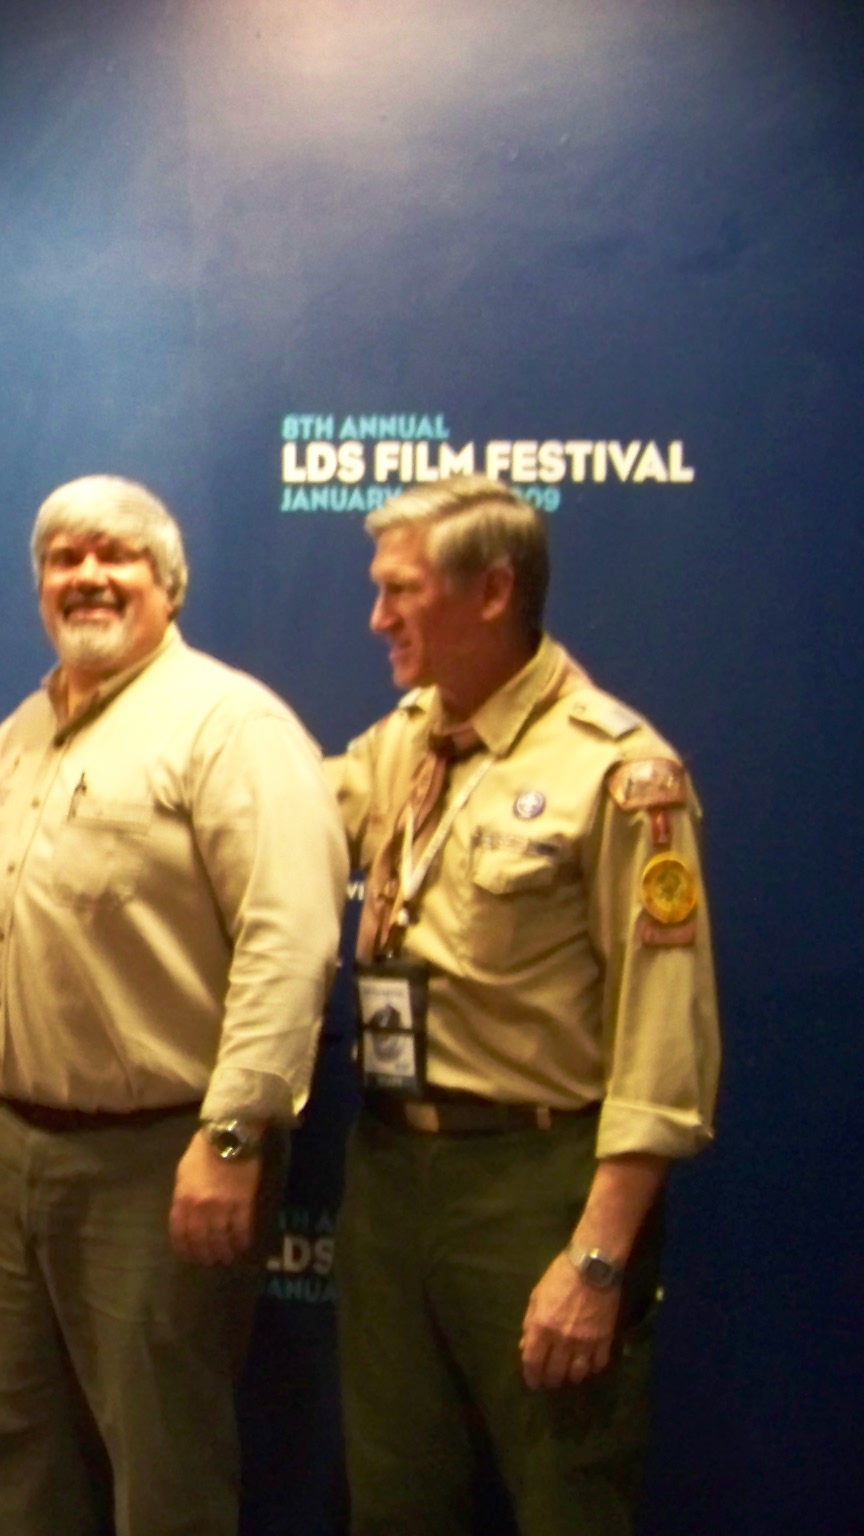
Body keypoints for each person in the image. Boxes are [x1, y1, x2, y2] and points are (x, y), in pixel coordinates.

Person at [0, 475, 346, 1536]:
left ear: (166, 584)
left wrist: (231, 1134)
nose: (85, 576)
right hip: (5, 1146)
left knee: (161, 1463)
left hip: (156, 1152)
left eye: (113, 556)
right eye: (62, 559)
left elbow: (291, 934)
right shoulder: (15, 737)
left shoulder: (230, 724)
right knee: (5, 1449)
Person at [331, 474, 720, 1534]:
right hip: (389, 1171)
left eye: (398, 591)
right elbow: (269, 828)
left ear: (491, 589)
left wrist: (594, 1260)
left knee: (565, 1504)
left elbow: (661, 1040)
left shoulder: (618, 770)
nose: (375, 618)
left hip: (535, 1186)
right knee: (392, 1504)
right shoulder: (405, 737)